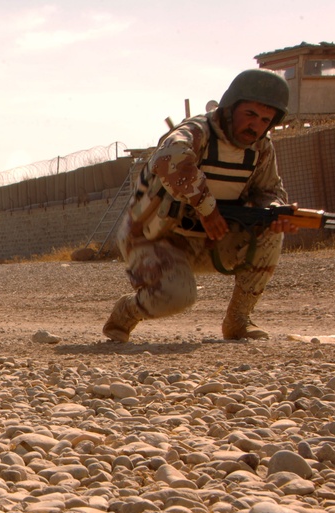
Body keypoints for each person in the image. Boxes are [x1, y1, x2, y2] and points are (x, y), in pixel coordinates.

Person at [103, 69, 298, 343]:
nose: (255, 125)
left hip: (210, 241)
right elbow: (169, 158)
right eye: (250, 114)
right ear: (231, 109)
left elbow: (268, 190)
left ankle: (239, 321)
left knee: (270, 229)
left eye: (265, 120)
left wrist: (276, 208)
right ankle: (127, 311)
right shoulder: (198, 131)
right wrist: (207, 208)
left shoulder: (261, 149)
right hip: (154, 238)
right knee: (178, 297)